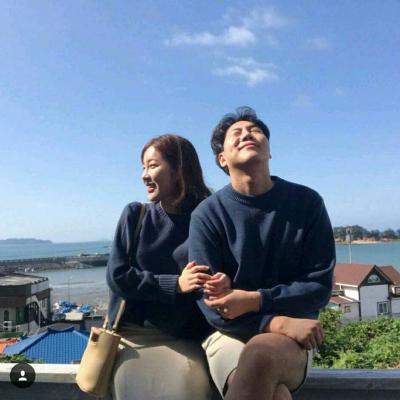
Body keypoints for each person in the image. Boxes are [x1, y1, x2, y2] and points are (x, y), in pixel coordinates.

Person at [189, 107, 336, 400]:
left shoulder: (306, 203)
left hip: (291, 338)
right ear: (222, 159)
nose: (247, 134)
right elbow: (209, 302)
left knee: (259, 357)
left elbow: (319, 287)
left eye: (255, 130)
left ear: (269, 151)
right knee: (274, 394)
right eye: (236, 133)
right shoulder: (207, 215)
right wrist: (273, 321)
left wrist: (255, 300)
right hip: (231, 333)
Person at [106, 134, 227, 400]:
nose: (144, 175)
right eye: (143, 167)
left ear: (179, 169)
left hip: (191, 337)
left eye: (152, 165)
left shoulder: (209, 217)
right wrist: (175, 284)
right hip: (136, 336)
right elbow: (117, 276)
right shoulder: (136, 215)